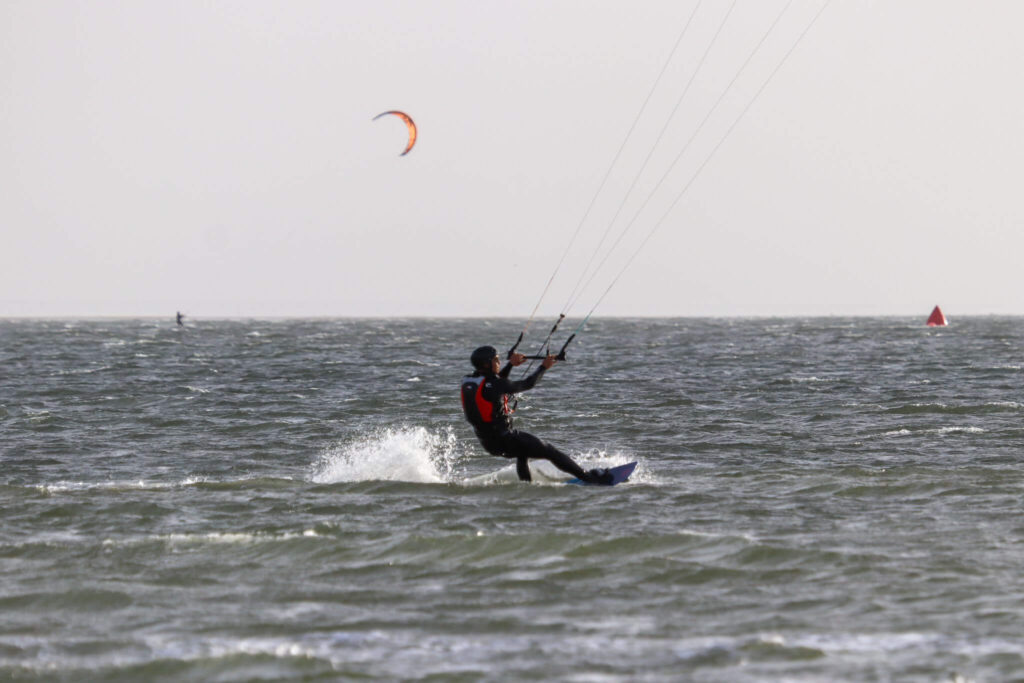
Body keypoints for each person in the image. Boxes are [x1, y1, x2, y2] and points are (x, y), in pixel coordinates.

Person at [460, 345, 613, 485]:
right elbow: (527, 383)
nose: (499, 362)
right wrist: (543, 367)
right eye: (496, 360)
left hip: (489, 444)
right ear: (487, 364)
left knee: (522, 452)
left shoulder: (470, 380)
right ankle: (590, 478)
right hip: (505, 439)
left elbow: (494, 383)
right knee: (550, 451)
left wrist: (511, 364)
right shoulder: (496, 384)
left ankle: (526, 484)